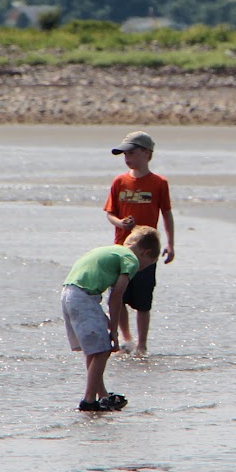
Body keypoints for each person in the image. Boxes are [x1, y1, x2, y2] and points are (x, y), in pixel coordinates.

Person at [60, 226, 160, 412]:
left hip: (68, 293)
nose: (139, 271)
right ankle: (89, 401)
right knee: (104, 349)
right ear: (146, 252)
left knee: (94, 350)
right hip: (84, 297)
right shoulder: (131, 259)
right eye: (145, 266)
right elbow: (117, 295)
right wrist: (114, 330)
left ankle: (102, 395)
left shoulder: (110, 249)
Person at [103, 130, 175, 354]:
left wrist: (170, 244)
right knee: (119, 295)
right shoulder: (119, 181)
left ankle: (142, 344)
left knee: (143, 300)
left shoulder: (159, 183)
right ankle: (126, 339)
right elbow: (109, 212)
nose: (127, 158)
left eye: (132, 153)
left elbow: (167, 214)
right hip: (121, 248)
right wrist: (120, 223)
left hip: (146, 252)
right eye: (124, 154)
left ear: (146, 153)